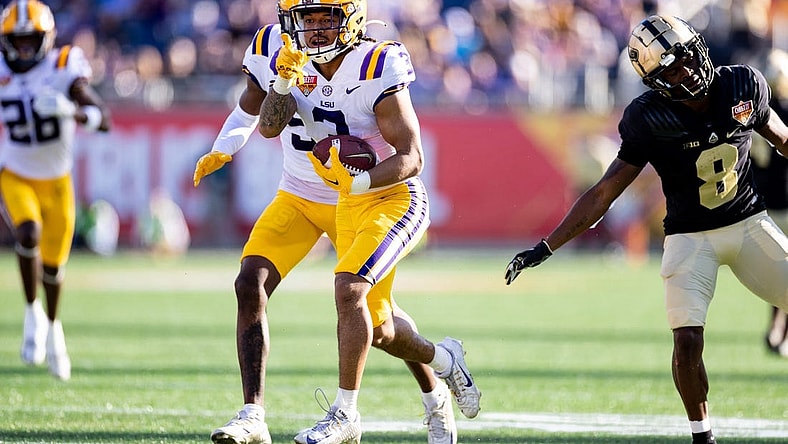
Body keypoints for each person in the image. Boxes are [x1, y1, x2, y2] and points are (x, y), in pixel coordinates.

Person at [192, 3, 470, 443]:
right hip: (300, 193)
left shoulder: (376, 63)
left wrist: (357, 183)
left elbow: (412, 156)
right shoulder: (273, 48)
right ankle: (252, 415)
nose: (316, 29)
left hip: (369, 199)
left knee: (379, 324)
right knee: (250, 282)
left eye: (327, 19)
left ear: (351, 19)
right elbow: (262, 121)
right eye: (308, 18)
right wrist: (227, 142)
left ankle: (434, 387)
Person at [504, 15, 788, 444]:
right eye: (672, 69)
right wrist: (547, 246)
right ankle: (702, 435)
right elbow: (605, 192)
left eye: (688, 58)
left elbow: (783, 138)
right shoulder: (648, 117)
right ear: (657, 82)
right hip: (690, 237)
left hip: (749, 222)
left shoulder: (742, 85)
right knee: (688, 339)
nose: (687, 72)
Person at [0, 0, 111, 381]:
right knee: (28, 231)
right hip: (14, 173)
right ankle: (32, 313)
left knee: (54, 267)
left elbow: (103, 119)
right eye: (19, 40)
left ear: (46, 38)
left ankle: (53, 326)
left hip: (57, 180)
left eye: (32, 39)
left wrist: (70, 110)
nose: (26, 48)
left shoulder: (64, 65)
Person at [753, 48, 788, 357]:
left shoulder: (754, 112)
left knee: (781, 272)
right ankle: (779, 332)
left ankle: (778, 331)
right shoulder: (772, 112)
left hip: (767, 207)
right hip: (779, 205)